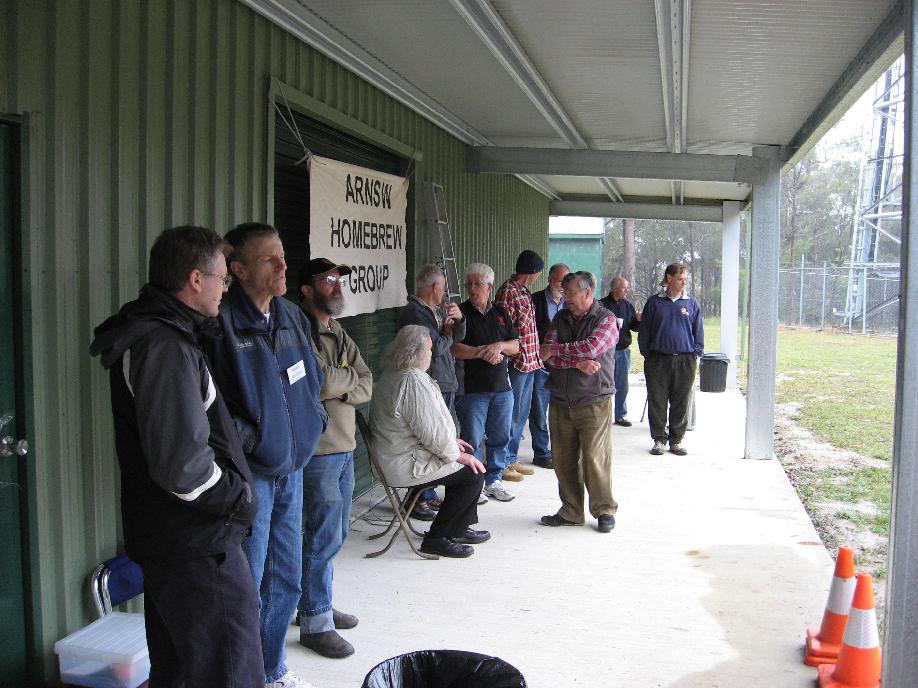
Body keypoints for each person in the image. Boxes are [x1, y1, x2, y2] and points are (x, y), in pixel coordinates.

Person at [89, 226, 264, 687]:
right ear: (194, 279)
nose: (227, 288)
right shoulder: (162, 346)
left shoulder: (164, 336)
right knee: (228, 672)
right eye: (223, 278)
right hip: (198, 548)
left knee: (184, 672)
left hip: (177, 544)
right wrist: (238, 500)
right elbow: (183, 469)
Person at [206, 223, 326, 688]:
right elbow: (210, 410)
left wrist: (308, 426)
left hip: (292, 470)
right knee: (248, 585)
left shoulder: (293, 316)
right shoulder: (219, 326)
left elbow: (311, 380)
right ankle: (243, 676)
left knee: (286, 580)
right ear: (236, 270)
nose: (282, 265)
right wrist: (253, 443)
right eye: (268, 259)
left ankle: (271, 670)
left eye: (282, 255)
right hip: (250, 476)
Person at [295, 258, 372, 659]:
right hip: (319, 452)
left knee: (336, 534)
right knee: (320, 536)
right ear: (307, 290)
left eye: (339, 278)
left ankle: (313, 602)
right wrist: (344, 380)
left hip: (345, 447)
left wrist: (340, 381)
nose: (337, 285)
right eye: (328, 280)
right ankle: (315, 622)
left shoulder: (336, 330)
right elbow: (317, 379)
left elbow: (367, 382)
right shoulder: (299, 328)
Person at [369, 325, 490, 558]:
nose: (432, 354)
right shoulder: (411, 379)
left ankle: (458, 527)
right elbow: (431, 433)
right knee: (472, 474)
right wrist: (455, 454)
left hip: (397, 456)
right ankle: (438, 538)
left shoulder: (394, 373)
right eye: (430, 349)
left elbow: (422, 426)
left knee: (469, 466)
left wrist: (451, 441)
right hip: (404, 462)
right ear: (417, 351)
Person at [539, 271, 619, 534]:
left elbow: (592, 348)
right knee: (563, 460)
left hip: (594, 400)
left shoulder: (606, 319)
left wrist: (561, 351)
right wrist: (576, 362)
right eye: (564, 293)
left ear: (587, 293)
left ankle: (604, 509)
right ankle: (571, 511)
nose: (566, 298)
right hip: (561, 399)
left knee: (595, 459)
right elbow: (544, 354)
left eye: (571, 293)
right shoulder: (560, 318)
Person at [397, 264, 466, 520]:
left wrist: (459, 320)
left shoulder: (432, 311)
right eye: (443, 288)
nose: (445, 293)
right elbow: (436, 348)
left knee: (441, 437)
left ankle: (428, 493)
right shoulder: (415, 312)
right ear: (435, 287)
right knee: (430, 441)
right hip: (428, 382)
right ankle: (418, 499)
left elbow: (455, 339)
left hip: (442, 382)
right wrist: (447, 332)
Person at [452, 263, 520, 503]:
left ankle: (495, 480)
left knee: (501, 437)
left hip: (502, 388)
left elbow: (516, 345)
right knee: (472, 439)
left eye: (477, 284)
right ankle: (474, 485)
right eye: (469, 284)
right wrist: (484, 352)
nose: (472, 288)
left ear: (489, 286)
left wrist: (499, 346)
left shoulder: (501, 312)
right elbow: (454, 348)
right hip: (471, 389)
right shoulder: (460, 313)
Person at [637, 262, 704, 456]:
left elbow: (698, 330)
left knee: (681, 401)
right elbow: (645, 331)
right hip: (657, 360)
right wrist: (647, 353)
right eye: (681, 279)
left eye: (685, 279)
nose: (684, 283)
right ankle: (659, 439)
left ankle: (676, 440)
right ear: (669, 278)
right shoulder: (654, 302)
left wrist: (696, 352)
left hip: (685, 360)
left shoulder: (691, 303)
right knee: (657, 400)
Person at [495, 249, 544, 479]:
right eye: (538, 272)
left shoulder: (524, 291)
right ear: (533, 271)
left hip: (531, 362)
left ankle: (512, 458)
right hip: (516, 362)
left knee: (521, 414)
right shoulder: (508, 291)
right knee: (510, 414)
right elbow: (502, 327)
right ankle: (502, 462)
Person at [529, 262, 570, 469]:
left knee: (562, 410)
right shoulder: (535, 300)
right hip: (540, 365)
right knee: (538, 409)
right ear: (550, 279)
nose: (564, 285)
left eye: (567, 281)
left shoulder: (571, 303)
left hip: (563, 366)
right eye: (561, 280)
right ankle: (542, 452)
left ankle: (561, 451)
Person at [600, 276, 641, 427]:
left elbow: (634, 327)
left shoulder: (628, 306)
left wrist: (639, 320)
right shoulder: (601, 304)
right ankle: (604, 415)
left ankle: (621, 415)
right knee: (604, 384)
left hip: (623, 351)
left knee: (622, 384)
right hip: (605, 353)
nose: (627, 291)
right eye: (624, 288)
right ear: (615, 288)